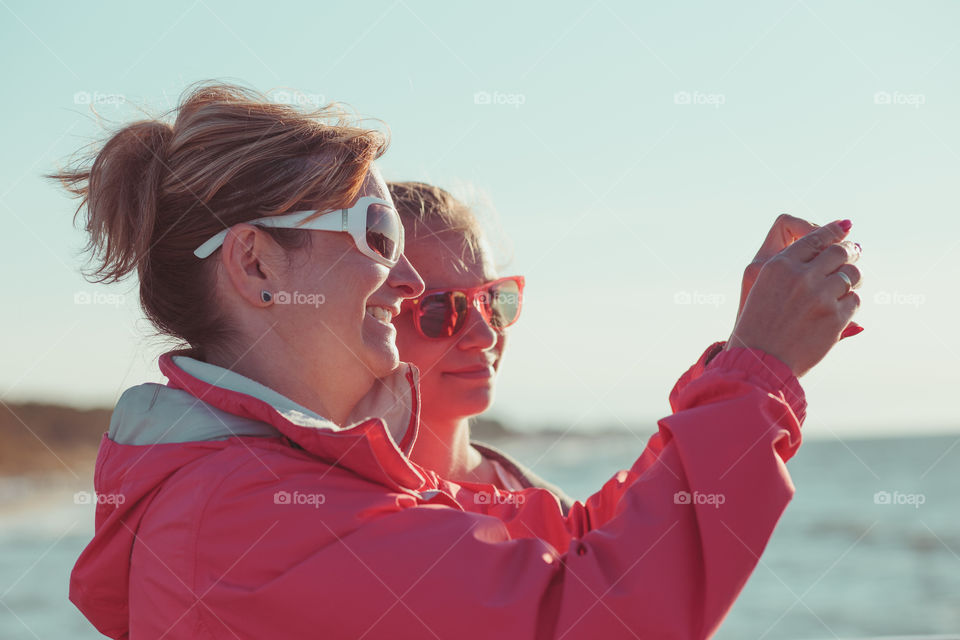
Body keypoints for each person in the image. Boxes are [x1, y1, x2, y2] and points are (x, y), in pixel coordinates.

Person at [51, 82, 863, 639]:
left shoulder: (275, 482)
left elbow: (561, 541)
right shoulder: (247, 514)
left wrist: (746, 362)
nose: (403, 281)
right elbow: (584, 614)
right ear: (257, 265)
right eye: (374, 235)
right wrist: (756, 372)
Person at [389, 181, 575, 513]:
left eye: (492, 299)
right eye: (441, 308)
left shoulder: (558, 516)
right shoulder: (322, 512)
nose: (486, 336)